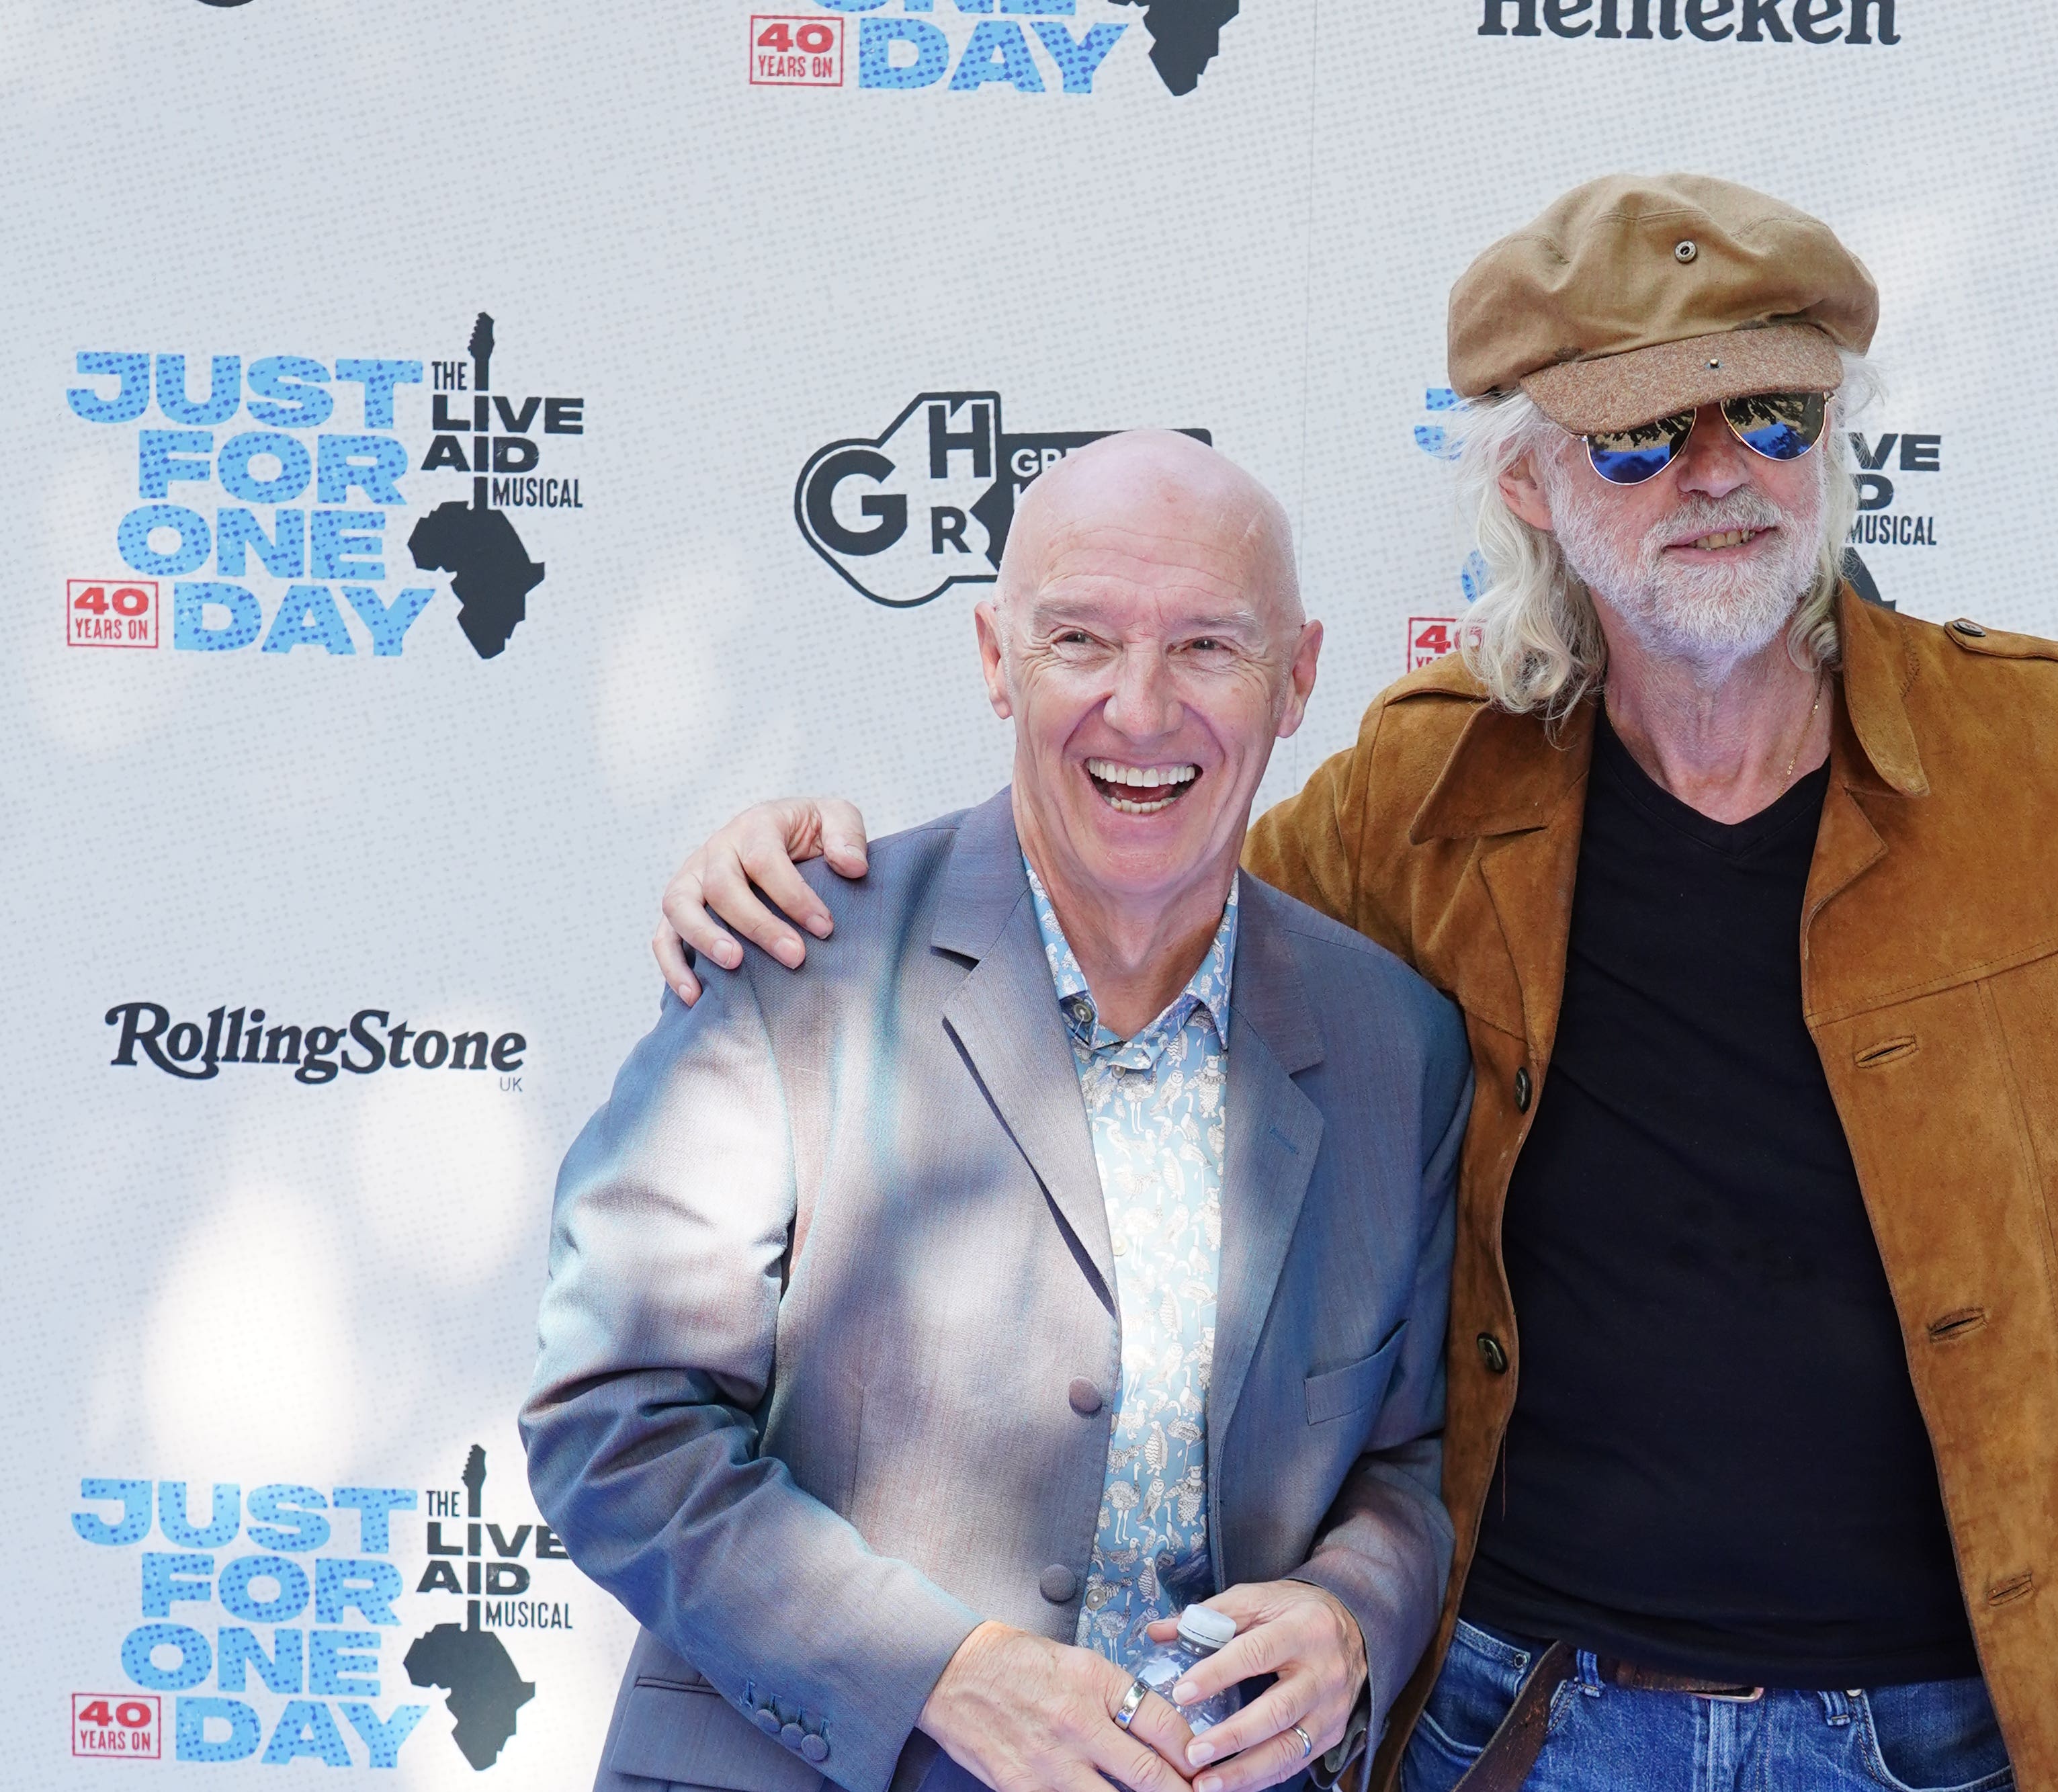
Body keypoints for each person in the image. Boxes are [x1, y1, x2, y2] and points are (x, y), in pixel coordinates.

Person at [647, 175, 2058, 1792]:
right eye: (1637, 435)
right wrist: (815, 874)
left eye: (1770, 415)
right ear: (1528, 481)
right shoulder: (1422, 792)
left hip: (1949, 1731)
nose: (1715, 473)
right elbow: (1128, 909)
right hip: (1526, 1716)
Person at [523, 431, 1469, 1792]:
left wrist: (1352, 1615)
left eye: (1207, 646)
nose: (1140, 709)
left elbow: (1405, 1460)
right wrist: (941, 1672)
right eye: (1079, 639)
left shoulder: (1396, 1044)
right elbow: (614, 1412)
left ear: (1298, 676)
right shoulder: (795, 958)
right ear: (993, 656)